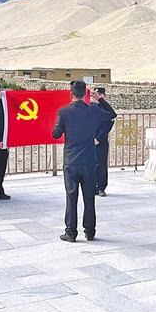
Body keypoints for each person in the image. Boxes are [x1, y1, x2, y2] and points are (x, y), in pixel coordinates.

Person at [52, 80, 117, 243]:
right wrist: (100, 99)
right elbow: (112, 114)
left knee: (71, 197)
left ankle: (70, 232)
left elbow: (56, 134)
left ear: (71, 94)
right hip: (89, 160)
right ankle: (90, 231)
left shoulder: (64, 112)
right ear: (86, 94)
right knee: (89, 198)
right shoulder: (93, 109)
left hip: (71, 161)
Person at [94, 87, 116, 197]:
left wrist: (98, 139)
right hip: (90, 141)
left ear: (104, 96)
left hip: (101, 141)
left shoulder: (106, 109)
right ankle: (93, 187)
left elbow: (107, 125)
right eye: (96, 94)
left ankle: (101, 187)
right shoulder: (93, 107)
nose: (97, 96)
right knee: (91, 165)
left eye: (100, 94)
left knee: (102, 165)